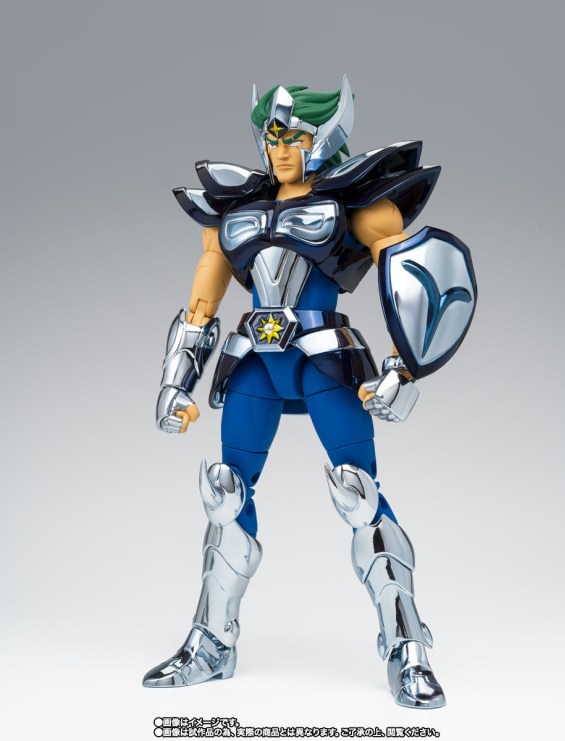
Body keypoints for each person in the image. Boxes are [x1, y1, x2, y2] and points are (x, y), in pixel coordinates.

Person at [142, 77, 477, 709]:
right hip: (253, 361)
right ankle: (211, 642)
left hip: (324, 358)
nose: (280, 147)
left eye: (294, 135)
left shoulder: (354, 200)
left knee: (359, 494)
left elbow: (417, 271)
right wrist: (175, 380)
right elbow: (203, 300)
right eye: (272, 134)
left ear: (324, 138)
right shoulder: (236, 206)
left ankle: (407, 645)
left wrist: (404, 370)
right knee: (225, 494)